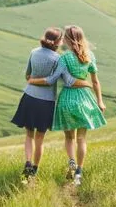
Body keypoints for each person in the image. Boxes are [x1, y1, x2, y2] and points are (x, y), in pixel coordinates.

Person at [28, 25, 106, 184]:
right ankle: (79, 172)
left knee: (69, 138)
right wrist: (100, 101)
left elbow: (52, 79)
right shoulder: (89, 55)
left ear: (68, 41)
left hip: (67, 100)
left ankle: (71, 161)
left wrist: (33, 80)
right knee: (82, 138)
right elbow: (95, 82)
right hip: (85, 99)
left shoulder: (64, 58)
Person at [11, 27, 88, 179]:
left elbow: (28, 75)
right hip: (46, 102)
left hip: (29, 97)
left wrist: (33, 80)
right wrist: (86, 83)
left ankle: (27, 162)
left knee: (28, 136)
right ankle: (34, 169)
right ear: (59, 42)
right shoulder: (58, 59)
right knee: (39, 139)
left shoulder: (33, 52)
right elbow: (66, 80)